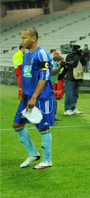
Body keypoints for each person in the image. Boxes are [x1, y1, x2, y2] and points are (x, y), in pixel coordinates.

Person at [13, 28, 55, 170]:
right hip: (28, 97)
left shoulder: (42, 53)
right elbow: (26, 75)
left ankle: (47, 160)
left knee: (43, 128)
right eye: (21, 38)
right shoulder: (25, 54)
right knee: (17, 125)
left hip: (41, 97)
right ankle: (33, 153)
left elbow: (44, 77)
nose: (22, 40)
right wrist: (24, 94)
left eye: (24, 38)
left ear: (33, 38)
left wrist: (34, 96)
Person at [63, 46, 83, 115]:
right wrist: (76, 56)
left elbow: (83, 63)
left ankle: (72, 107)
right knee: (69, 94)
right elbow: (73, 64)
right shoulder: (70, 56)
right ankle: (67, 109)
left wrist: (81, 56)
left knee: (75, 94)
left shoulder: (78, 56)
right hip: (70, 77)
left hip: (77, 77)